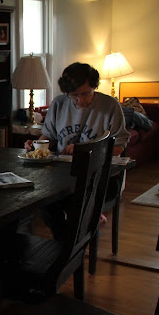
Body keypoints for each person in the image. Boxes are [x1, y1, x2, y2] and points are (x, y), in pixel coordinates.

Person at [24, 62, 130, 239]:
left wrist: (84, 150)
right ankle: (71, 243)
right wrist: (36, 145)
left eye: (85, 94)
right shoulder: (59, 104)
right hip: (63, 175)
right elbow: (48, 137)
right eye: (74, 95)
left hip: (101, 177)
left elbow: (118, 146)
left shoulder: (110, 105)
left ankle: (74, 242)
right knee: (43, 201)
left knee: (77, 203)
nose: (80, 100)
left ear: (94, 87)